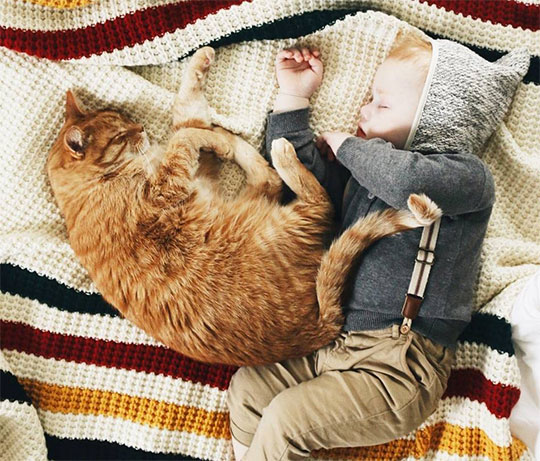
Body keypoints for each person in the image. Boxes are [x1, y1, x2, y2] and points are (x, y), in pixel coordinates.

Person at [227, 32, 529, 460]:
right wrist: (293, 97)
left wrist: (348, 146)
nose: (364, 109)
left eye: (382, 104)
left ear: (436, 119)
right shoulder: (360, 181)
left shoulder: (467, 178)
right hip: (333, 345)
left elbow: (407, 182)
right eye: (369, 97)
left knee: (286, 421)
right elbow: (299, 181)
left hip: (399, 365)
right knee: (249, 388)